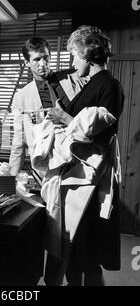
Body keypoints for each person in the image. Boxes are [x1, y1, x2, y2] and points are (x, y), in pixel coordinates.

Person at [37, 25, 124, 286]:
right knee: (72, 249)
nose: (73, 63)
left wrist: (65, 117)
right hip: (75, 175)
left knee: (86, 252)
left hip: (89, 181)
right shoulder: (91, 85)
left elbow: (100, 130)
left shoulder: (109, 85)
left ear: (86, 54)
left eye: (74, 56)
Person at [9, 37, 85, 182]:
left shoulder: (73, 78)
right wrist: (11, 180)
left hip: (78, 159)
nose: (43, 64)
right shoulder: (22, 97)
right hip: (47, 168)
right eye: (37, 60)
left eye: (46, 58)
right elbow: (19, 141)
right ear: (27, 63)